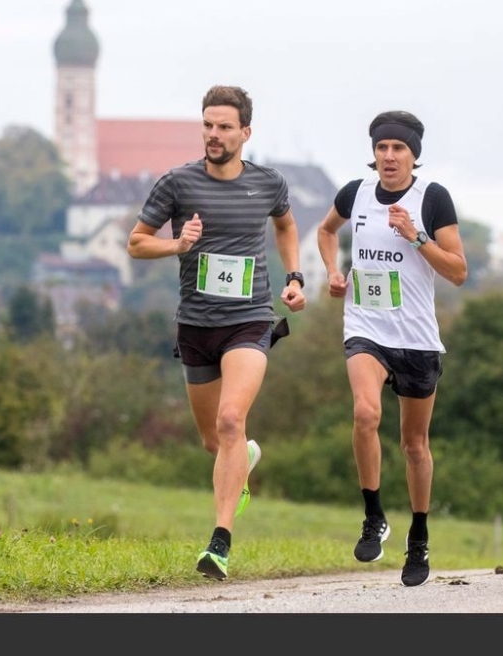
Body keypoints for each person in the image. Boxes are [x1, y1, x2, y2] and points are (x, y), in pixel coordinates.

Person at [127, 84, 306, 581]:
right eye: (207, 124)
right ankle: (245, 457)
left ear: (245, 132)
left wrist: (294, 278)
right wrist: (177, 245)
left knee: (231, 419)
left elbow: (287, 227)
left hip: (249, 320)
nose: (214, 134)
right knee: (215, 440)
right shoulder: (177, 183)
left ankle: (219, 544)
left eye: (224, 126)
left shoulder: (268, 183)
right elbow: (136, 244)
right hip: (197, 324)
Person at [316, 110, 467, 587]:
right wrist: (333, 273)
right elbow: (325, 231)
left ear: (413, 155)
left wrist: (416, 236)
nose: (388, 156)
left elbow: (458, 271)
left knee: (414, 444)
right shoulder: (355, 194)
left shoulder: (432, 199)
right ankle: (373, 515)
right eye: (382, 148)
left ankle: (418, 538)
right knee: (365, 413)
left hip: (418, 340)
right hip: (366, 327)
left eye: (398, 148)